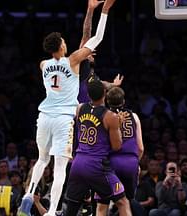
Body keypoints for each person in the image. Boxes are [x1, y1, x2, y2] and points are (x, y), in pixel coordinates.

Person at [18, 0, 116, 215]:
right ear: (61, 46)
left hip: (44, 116)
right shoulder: (72, 61)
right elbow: (96, 38)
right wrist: (105, 11)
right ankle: (52, 211)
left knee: (42, 160)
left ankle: (28, 194)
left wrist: (90, 10)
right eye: (63, 41)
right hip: (63, 118)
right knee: (60, 167)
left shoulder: (43, 64)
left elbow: (79, 46)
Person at [65, 78, 131, 216]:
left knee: (71, 209)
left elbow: (96, 88)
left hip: (78, 163)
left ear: (88, 95)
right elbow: (117, 146)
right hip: (97, 166)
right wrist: (119, 126)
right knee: (122, 201)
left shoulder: (79, 108)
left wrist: (109, 86)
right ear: (105, 94)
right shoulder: (110, 116)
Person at [96, 86, 145, 216]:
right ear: (123, 101)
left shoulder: (103, 117)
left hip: (110, 164)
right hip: (130, 163)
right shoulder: (134, 117)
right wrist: (135, 163)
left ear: (107, 101)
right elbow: (140, 148)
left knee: (102, 204)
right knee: (125, 202)